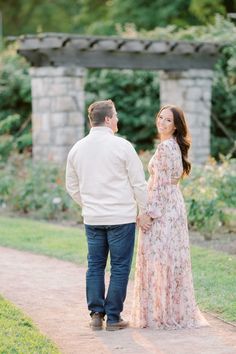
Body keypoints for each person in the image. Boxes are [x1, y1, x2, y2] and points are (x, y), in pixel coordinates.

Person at [65, 99, 151, 331]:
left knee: (95, 265)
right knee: (120, 267)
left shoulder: (77, 148)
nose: (118, 120)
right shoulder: (122, 146)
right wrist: (144, 211)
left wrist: (90, 203)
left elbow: (71, 186)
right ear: (108, 119)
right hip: (120, 218)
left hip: (93, 218)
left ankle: (96, 314)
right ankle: (113, 318)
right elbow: (139, 184)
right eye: (116, 116)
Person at [131, 105, 208, 329]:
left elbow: (161, 187)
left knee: (159, 259)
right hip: (173, 206)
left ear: (176, 126)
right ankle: (168, 310)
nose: (162, 122)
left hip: (163, 210)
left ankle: (160, 314)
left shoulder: (166, 148)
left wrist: (148, 215)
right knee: (170, 259)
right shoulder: (172, 145)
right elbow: (160, 185)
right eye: (160, 117)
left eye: (168, 120)